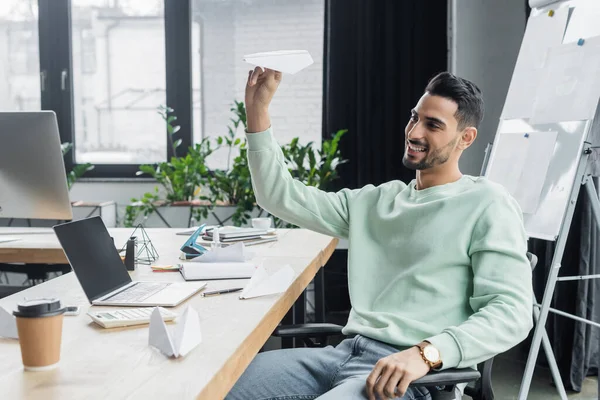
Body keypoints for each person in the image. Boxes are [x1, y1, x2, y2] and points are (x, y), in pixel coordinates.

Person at [225, 69, 534, 400]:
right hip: (342, 354)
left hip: (410, 377)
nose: (414, 132)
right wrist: (257, 109)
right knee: (215, 388)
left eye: (433, 125)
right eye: (414, 118)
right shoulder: (377, 201)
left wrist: (426, 354)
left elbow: (511, 310)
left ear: (466, 138)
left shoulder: (488, 203)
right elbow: (279, 196)